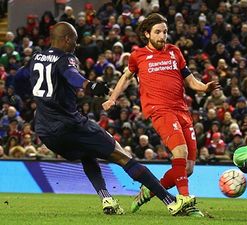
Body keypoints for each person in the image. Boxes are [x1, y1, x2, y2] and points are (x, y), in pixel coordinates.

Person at [28, 22, 195, 215]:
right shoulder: (66, 58)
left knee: (86, 154)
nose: (76, 45)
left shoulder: (35, 57)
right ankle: (171, 202)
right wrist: (90, 86)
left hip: (45, 131)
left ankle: (106, 198)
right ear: (66, 39)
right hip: (69, 124)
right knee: (122, 156)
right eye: (74, 40)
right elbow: (71, 75)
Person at [102, 13, 219, 217]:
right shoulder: (138, 55)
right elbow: (125, 77)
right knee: (179, 152)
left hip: (181, 111)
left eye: (165, 31)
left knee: (188, 168)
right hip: (159, 110)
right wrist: (112, 98)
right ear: (147, 34)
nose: (162, 36)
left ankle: (149, 190)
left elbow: (190, 81)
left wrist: (204, 89)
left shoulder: (175, 52)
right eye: (158, 32)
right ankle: (184, 200)